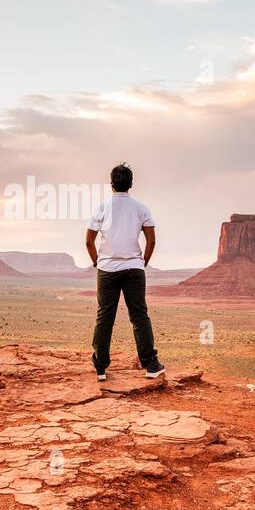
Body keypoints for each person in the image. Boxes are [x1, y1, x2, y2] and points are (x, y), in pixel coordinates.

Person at [85, 163, 165, 381]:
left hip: (107, 269)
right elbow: (152, 240)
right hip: (134, 269)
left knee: (105, 316)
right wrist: (143, 262)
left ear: (112, 183)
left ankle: (100, 367)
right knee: (139, 316)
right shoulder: (141, 208)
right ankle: (150, 365)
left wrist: (97, 262)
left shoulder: (101, 207)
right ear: (131, 183)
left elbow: (89, 241)